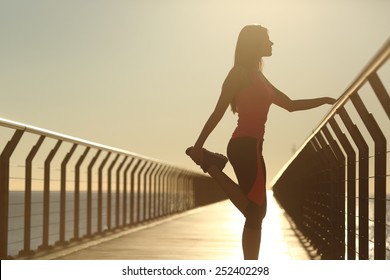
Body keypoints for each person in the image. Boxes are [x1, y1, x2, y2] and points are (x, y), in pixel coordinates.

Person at [187, 24, 336, 260]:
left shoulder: (260, 77)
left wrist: (325, 100)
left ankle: (251, 265)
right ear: (254, 43)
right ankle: (211, 164)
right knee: (255, 213)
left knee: (257, 214)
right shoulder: (238, 73)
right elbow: (218, 111)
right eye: (267, 39)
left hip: (254, 147)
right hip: (244, 146)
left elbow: (290, 105)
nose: (272, 43)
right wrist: (197, 146)